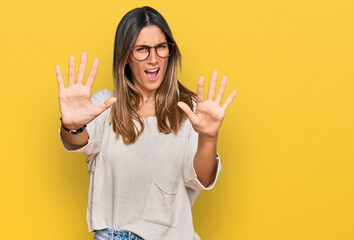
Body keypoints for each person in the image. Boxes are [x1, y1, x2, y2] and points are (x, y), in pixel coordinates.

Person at [56, 6, 237, 240]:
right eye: (142, 49)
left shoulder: (191, 110)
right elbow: (77, 140)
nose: (153, 58)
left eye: (161, 47)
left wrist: (209, 137)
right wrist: (72, 125)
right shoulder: (106, 104)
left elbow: (201, 180)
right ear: (125, 57)